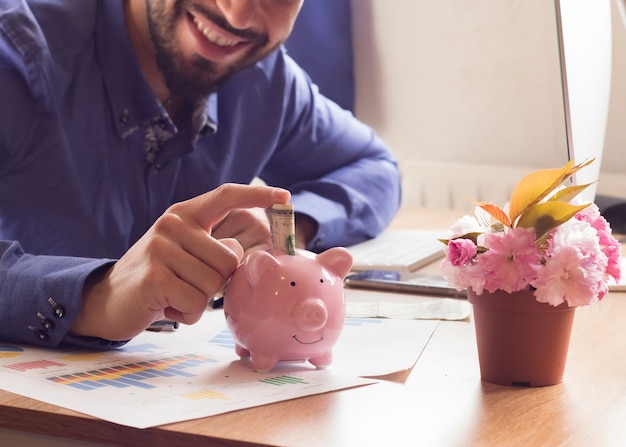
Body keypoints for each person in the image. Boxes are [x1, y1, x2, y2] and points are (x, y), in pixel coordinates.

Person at [0, 0, 401, 349]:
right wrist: (95, 297)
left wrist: (284, 229)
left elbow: (374, 168)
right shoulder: (15, 55)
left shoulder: (265, 79)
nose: (238, 15)